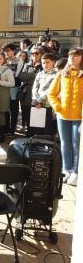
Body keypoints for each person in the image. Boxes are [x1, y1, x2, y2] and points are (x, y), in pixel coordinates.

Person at [48, 47, 83, 186]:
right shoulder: (62, 74)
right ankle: (66, 169)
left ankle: (76, 171)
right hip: (63, 116)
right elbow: (51, 93)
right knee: (65, 144)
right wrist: (57, 107)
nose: (72, 58)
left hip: (79, 116)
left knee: (76, 144)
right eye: (70, 55)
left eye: (75, 55)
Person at [19, 46, 44, 135]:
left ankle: (35, 136)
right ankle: (29, 134)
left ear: (41, 55)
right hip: (26, 94)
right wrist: (34, 74)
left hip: (37, 95)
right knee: (26, 116)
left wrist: (29, 77)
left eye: (36, 53)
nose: (34, 55)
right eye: (32, 53)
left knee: (36, 117)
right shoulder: (27, 65)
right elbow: (21, 77)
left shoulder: (43, 65)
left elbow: (41, 80)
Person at [0, 52, 15, 142]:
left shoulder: (7, 71)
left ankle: (1, 136)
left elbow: (12, 83)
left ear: (4, 60)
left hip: (3, 96)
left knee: (1, 115)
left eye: (0, 58)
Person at [31, 53, 57, 136]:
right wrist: (36, 100)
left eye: (47, 62)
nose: (45, 65)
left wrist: (39, 100)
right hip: (37, 104)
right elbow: (35, 88)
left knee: (48, 129)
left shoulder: (56, 75)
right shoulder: (40, 74)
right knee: (37, 128)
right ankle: (37, 146)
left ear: (53, 62)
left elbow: (50, 90)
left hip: (48, 105)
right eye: (43, 63)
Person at [3, 43, 24, 134]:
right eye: (5, 51)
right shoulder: (4, 61)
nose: (7, 53)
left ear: (13, 51)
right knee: (5, 109)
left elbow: (16, 75)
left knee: (14, 109)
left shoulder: (19, 60)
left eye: (8, 50)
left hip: (14, 87)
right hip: (4, 88)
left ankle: (12, 129)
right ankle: (6, 128)